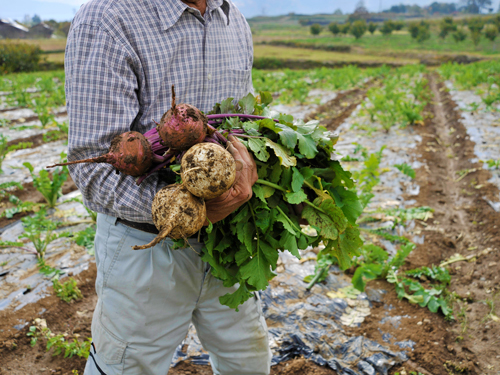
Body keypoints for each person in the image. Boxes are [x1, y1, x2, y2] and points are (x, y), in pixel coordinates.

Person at [64, 0, 272, 373]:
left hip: (229, 243)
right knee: (127, 367)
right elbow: (94, 172)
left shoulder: (232, 18)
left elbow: (242, 122)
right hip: (147, 248)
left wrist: (246, 172)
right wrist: (189, 213)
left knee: (249, 362)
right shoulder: (109, 17)